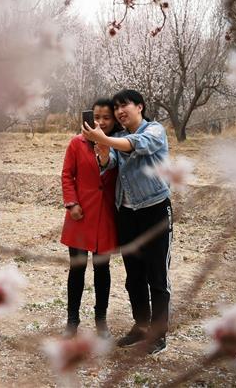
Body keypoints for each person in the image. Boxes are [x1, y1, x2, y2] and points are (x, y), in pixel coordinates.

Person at [82, 89, 172, 356]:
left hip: (154, 211)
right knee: (134, 277)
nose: (120, 112)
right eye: (117, 108)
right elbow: (109, 165)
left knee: (157, 276)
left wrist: (105, 139)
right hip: (128, 214)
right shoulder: (116, 138)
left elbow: (138, 144)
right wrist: (103, 150)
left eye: (125, 106)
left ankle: (158, 334)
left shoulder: (155, 130)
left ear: (140, 107)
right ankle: (141, 326)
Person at [59, 98, 121, 337]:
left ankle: (101, 320)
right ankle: (72, 321)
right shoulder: (76, 143)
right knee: (77, 270)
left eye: (106, 118)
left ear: (113, 120)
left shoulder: (118, 144)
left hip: (105, 216)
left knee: (102, 269)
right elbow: (67, 175)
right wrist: (72, 203)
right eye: (96, 117)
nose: (101, 122)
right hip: (80, 215)